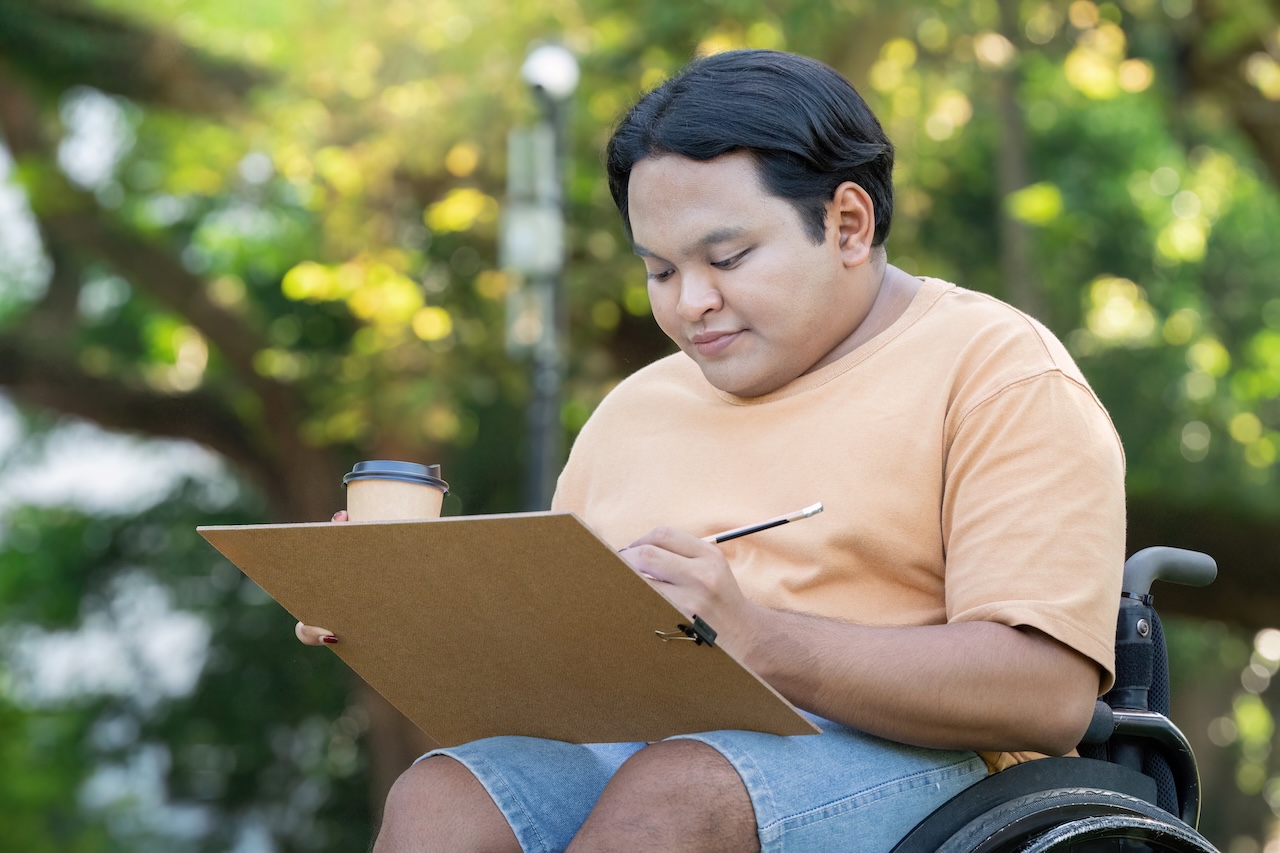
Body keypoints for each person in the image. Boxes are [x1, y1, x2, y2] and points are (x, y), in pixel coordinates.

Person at [298, 49, 1126, 852]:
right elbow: (562, 678)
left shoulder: (998, 372)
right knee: (443, 797)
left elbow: (1047, 692)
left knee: (679, 790)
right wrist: (404, 617)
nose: (693, 303)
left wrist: (759, 639)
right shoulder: (636, 407)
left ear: (847, 223)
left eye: (727, 258)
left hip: (941, 775)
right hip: (652, 752)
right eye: (659, 271)